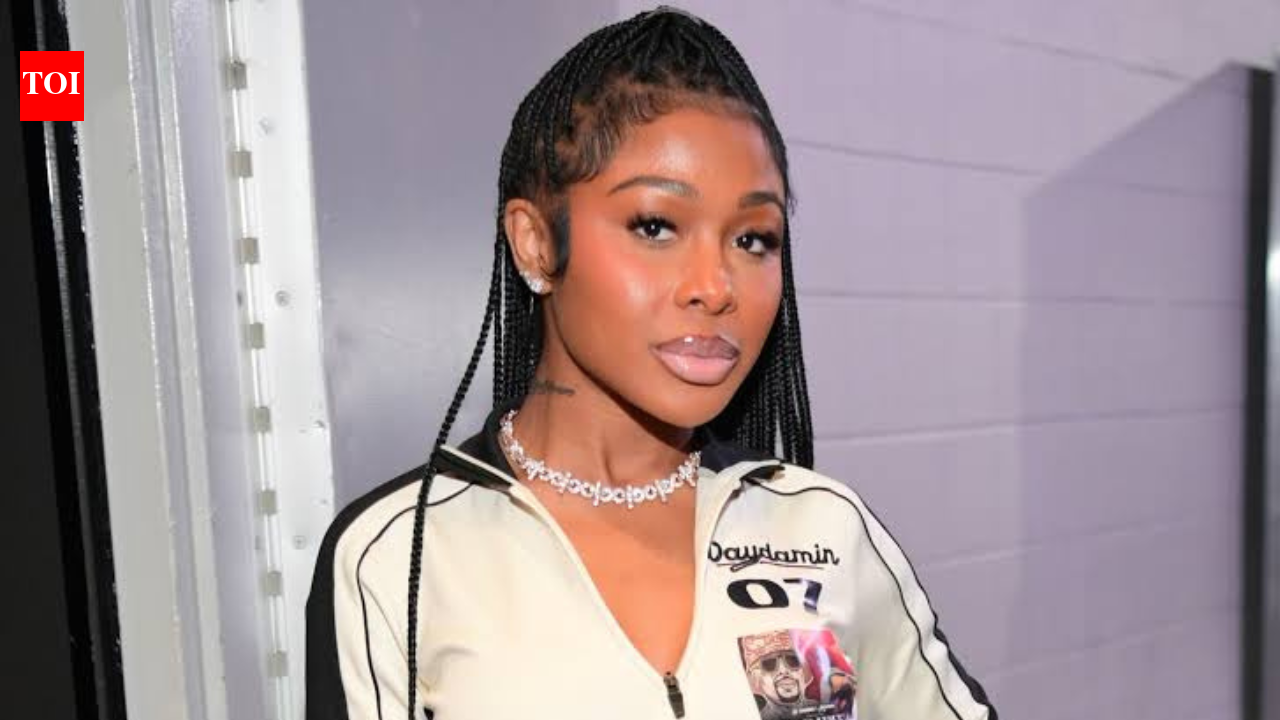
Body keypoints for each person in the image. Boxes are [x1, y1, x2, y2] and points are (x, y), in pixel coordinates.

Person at [306, 6, 997, 720]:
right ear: (536, 243)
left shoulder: (819, 528)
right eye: (656, 226)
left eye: (754, 239)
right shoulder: (401, 555)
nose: (716, 287)